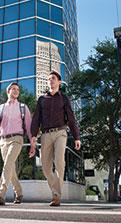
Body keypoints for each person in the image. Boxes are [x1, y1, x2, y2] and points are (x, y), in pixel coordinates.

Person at [31, 71, 81, 206]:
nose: (50, 81)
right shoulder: (42, 99)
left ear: (59, 82)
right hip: (46, 134)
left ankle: (56, 195)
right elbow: (36, 119)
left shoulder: (64, 98)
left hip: (60, 132)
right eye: (48, 79)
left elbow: (71, 118)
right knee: (46, 167)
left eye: (53, 78)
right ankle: (56, 190)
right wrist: (33, 136)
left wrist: (77, 137)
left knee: (59, 161)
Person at [0, 82, 35, 205]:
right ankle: (19, 192)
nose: (16, 91)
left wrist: (33, 144)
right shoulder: (1, 108)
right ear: (8, 91)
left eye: (18, 89)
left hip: (17, 139)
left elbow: (29, 127)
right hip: (3, 141)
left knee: (7, 164)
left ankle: (1, 194)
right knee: (10, 169)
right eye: (13, 89)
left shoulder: (23, 107)